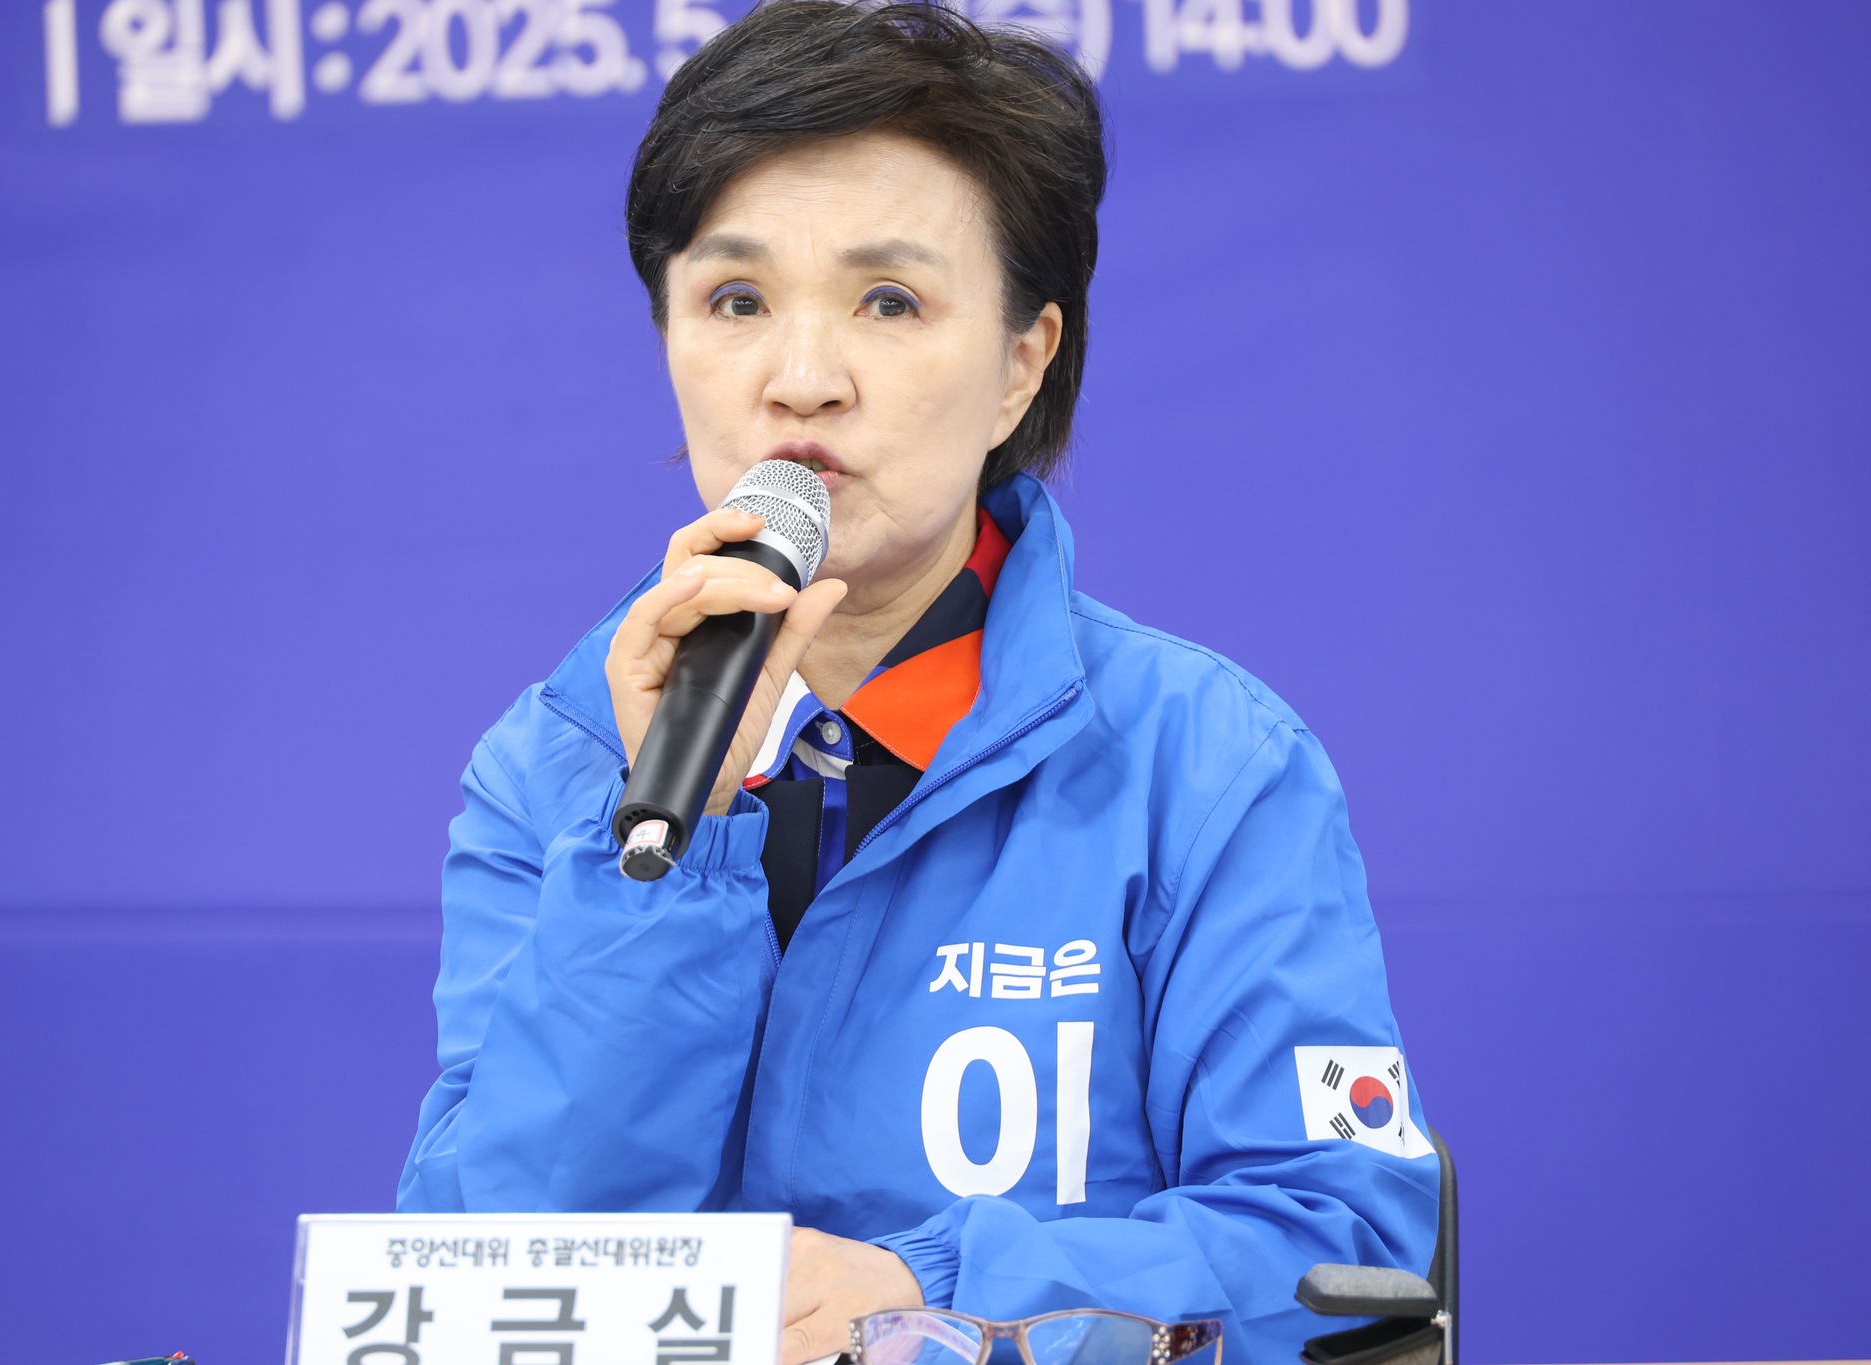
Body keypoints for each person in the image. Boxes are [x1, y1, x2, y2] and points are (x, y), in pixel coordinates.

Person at [398, 5, 1440, 1363]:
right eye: (736, 300)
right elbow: (486, 1270)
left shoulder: (1208, 761)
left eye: (890, 301)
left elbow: (1344, 1246)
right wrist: (659, 853)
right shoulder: (557, 760)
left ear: (1022, 360)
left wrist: (934, 1294)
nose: (801, 380)